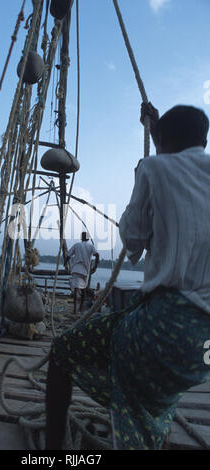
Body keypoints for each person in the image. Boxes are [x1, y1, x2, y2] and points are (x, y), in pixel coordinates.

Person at [45, 103, 210, 450]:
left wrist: (141, 177)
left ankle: (52, 449)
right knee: (162, 385)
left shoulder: (153, 167)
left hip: (166, 327)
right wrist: (156, 131)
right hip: (204, 353)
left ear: (162, 140)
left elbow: (133, 241)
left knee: (63, 351)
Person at [64, 232, 99, 315]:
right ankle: (80, 309)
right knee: (83, 289)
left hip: (76, 269)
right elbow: (97, 255)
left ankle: (75, 310)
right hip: (85, 271)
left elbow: (68, 255)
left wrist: (65, 263)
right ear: (87, 239)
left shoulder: (76, 245)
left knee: (76, 289)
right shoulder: (90, 246)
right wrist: (95, 267)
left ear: (81, 238)